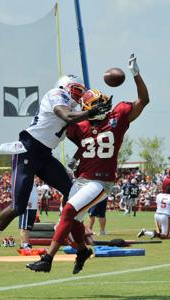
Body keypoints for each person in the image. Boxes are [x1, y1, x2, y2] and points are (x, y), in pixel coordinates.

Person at [26, 53, 150, 274]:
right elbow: (61, 124)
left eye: (102, 104)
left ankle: (47, 259)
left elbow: (143, 101)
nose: (103, 107)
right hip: (82, 180)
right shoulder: (80, 125)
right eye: (98, 105)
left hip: (101, 182)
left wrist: (136, 75)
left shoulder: (118, 117)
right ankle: (83, 251)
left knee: (68, 212)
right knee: (71, 224)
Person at [0, 74, 107, 265]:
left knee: (73, 194)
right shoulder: (56, 94)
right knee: (18, 207)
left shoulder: (74, 110)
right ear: (65, 87)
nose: (80, 96)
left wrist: (102, 124)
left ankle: (73, 237)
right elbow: (66, 115)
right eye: (77, 90)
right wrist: (90, 114)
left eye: (82, 92)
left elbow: (81, 137)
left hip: (45, 155)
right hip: (27, 151)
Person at [19, 178, 38, 250]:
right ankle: (24, 244)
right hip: (27, 207)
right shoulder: (26, 179)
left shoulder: (33, 181)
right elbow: (22, 191)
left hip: (33, 207)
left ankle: (25, 243)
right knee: (24, 227)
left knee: (28, 227)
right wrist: (25, 201)